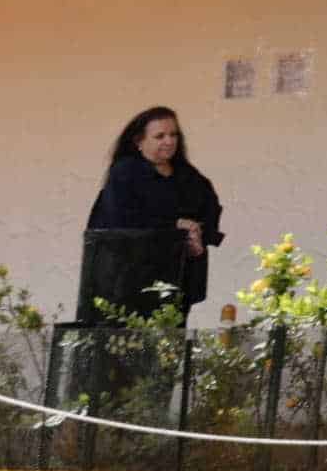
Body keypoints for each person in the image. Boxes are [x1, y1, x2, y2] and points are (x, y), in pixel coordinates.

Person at [80, 106, 221, 321]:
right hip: (131, 275)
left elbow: (210, 208)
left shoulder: (188, 175)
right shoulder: (125, 173)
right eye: (160, 136)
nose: (169, 141)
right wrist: (174, 226)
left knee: (170, 338)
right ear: (139, 141)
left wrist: (198, 235)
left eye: (173, 135)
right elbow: (122, 219)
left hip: (177, 275)